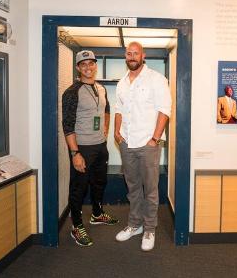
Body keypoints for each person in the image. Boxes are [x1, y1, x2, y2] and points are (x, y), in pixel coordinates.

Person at [114, 42, 171, 251]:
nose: (132, 56)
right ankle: (134, 224)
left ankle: (149, 229)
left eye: (135, 53)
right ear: (125, 56)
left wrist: (155, 139)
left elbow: (165, 110)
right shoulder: (122, 83)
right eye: (128, 53)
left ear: (143, 56)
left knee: (150, 189)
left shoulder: (157, 79)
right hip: (127, 143)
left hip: (148, 143)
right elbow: (119, 109)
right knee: (133, 187)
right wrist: (116, 133)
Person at [62, 50, 118, 247]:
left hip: (100, 146)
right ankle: (77, 226)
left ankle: (97, 214)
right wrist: (75, 153)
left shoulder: (101, 88)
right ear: (78, 68)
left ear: (95, 65)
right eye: (83, 64)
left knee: (99, 183)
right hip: (82, 148)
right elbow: (67, 125)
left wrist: (105, 129)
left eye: (91, 63)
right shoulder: (71, 92)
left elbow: (107, 109)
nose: (88, 67)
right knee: (78, 188)